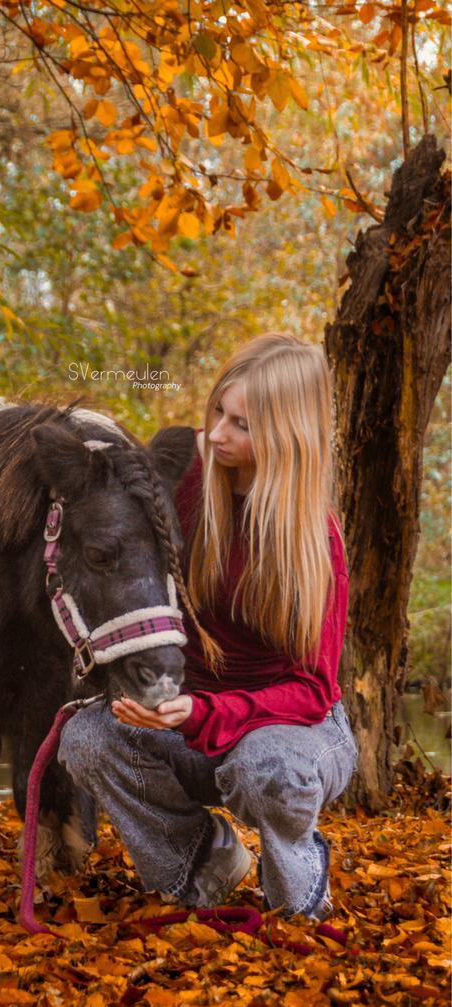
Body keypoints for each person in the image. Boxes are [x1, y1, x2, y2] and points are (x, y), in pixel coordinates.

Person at [58, 333, 358, 920]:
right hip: (188, 714)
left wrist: (202, 713)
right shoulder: (184, 481)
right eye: (217, 410)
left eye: (241, 425)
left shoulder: (314, 542)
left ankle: (300, 888)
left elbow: (313, 690)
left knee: (265, 769)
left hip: (290, 729)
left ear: (288, 435)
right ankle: (200, 862)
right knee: (87, 739)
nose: (217, 433)